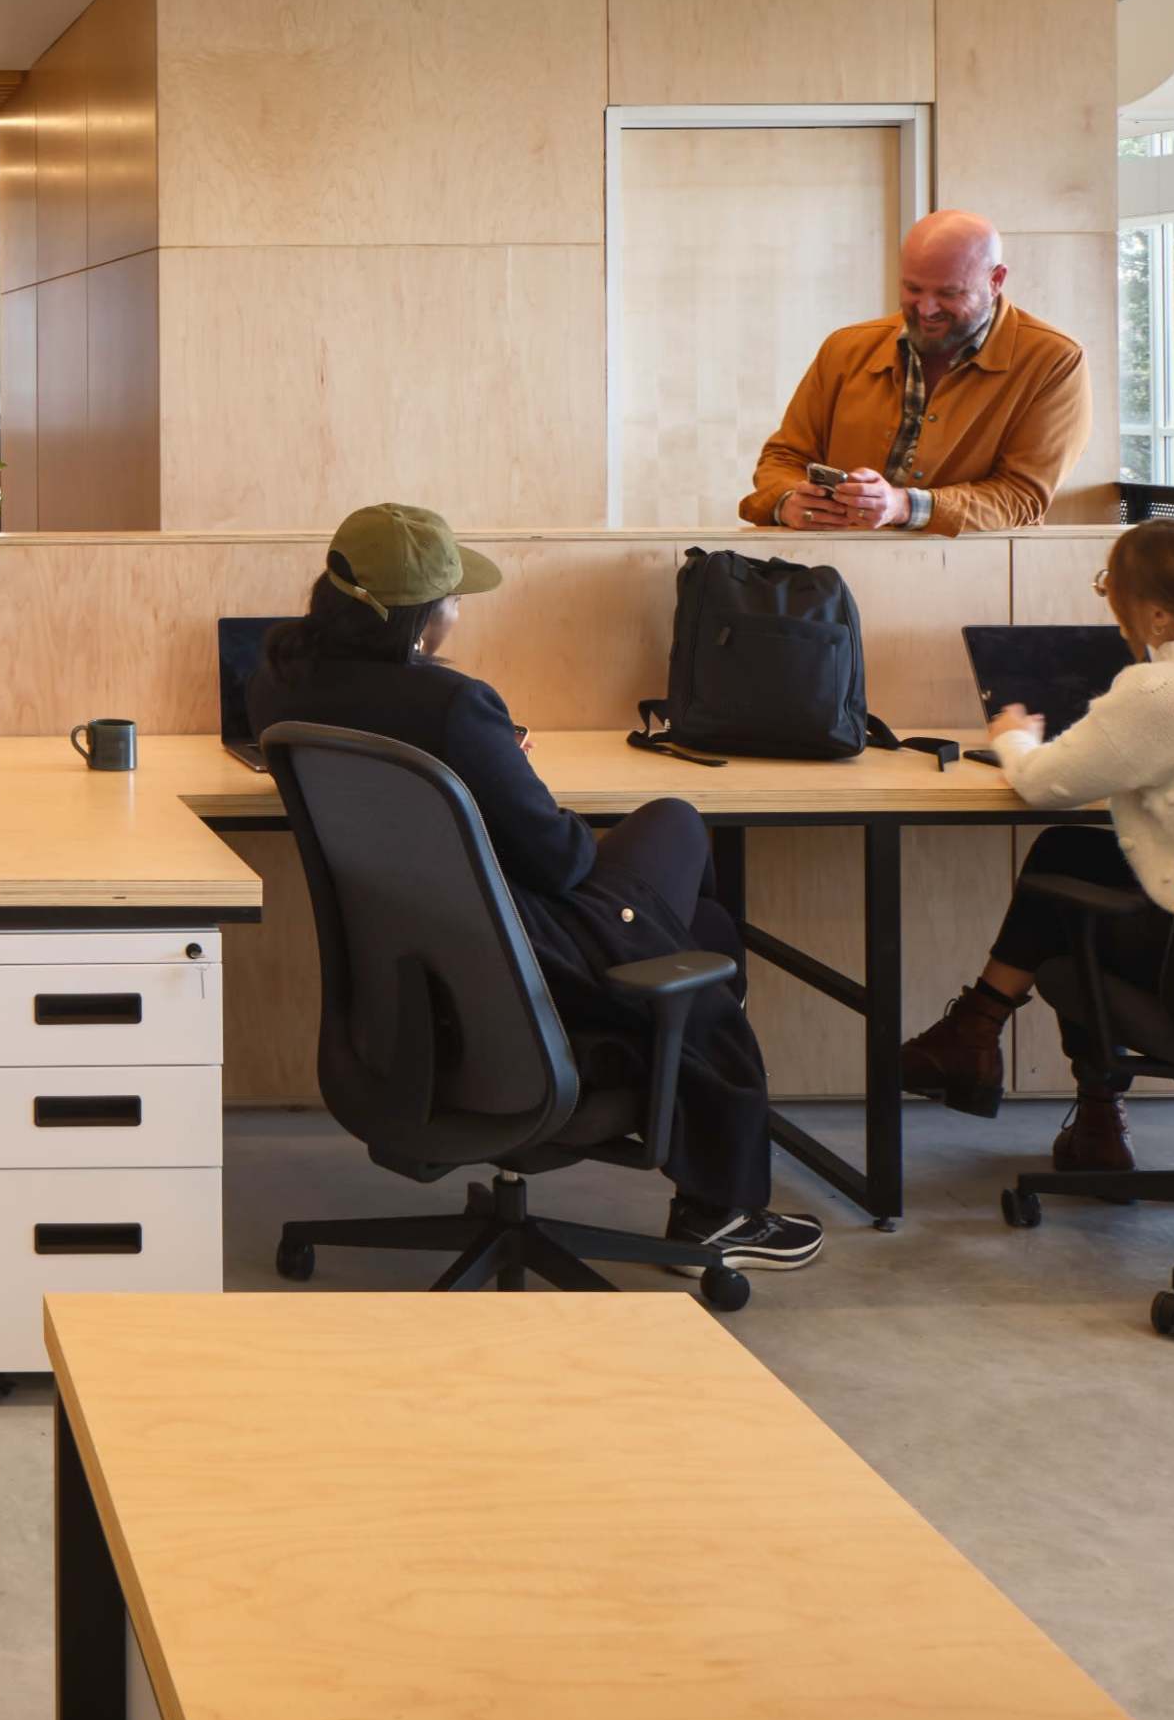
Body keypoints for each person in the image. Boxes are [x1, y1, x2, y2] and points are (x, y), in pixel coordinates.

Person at [246, 502, 822, 1270]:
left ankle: (688, 1034)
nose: (458, 611)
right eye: (452, 598)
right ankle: (712, 1179)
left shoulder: (281, 685)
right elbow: (561, 862)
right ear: (419, 616)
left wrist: (492, 762)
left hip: (422, 980)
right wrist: (513, 767)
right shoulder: (456, 707)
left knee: (701, 929)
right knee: (680, 829)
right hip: (530, 950)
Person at [896, 517, 1174, 1174]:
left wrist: (1012, 733)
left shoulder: (1160, 689)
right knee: (1070, 856)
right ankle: (1000, 1051)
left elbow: (1043, 784)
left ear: (1154, 616)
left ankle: (1001, 1050)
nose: (1112, 607)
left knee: (1073, 916)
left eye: (1110, 591)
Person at [742, 209, 1088, 536]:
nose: (926, 308)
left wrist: (903, 506)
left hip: (974, 572)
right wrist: (788, 501)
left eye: (948, 293)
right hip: (833, 574)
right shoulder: (845, 348)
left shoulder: (1054, 360)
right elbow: (783, 459)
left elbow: (1021, 496)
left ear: (996, 280)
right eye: (913, 289)